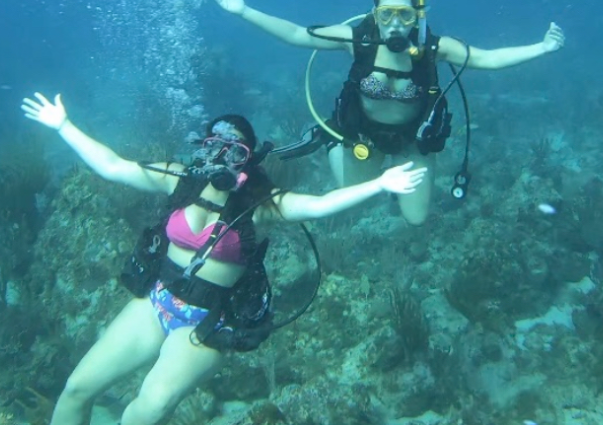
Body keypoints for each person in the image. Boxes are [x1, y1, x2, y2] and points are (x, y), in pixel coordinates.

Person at [21, 92, 426, 425]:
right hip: (156, 301)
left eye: (232, 152)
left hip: (208, 322)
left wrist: (379, 183)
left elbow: (319, 205)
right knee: (77, 388)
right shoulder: (179, 179)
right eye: (213, 147)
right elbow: (113, 166)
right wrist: (63, 126)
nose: (219, 158)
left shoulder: (260, 205)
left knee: (146, 410)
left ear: (247, 159)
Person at [213, 0, 565, 226]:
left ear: (417, 17)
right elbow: (296, 34)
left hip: (412, 142)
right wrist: (243, 11)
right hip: (362, 139)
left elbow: (488, 59)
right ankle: (334, 144)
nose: (395, 25)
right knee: (349, 201)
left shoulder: (433, 49)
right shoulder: (357, 40)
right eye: (386, 16)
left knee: (415, 219)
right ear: (374, 15)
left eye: (405, 16)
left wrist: (543, 47)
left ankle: (390, 179)